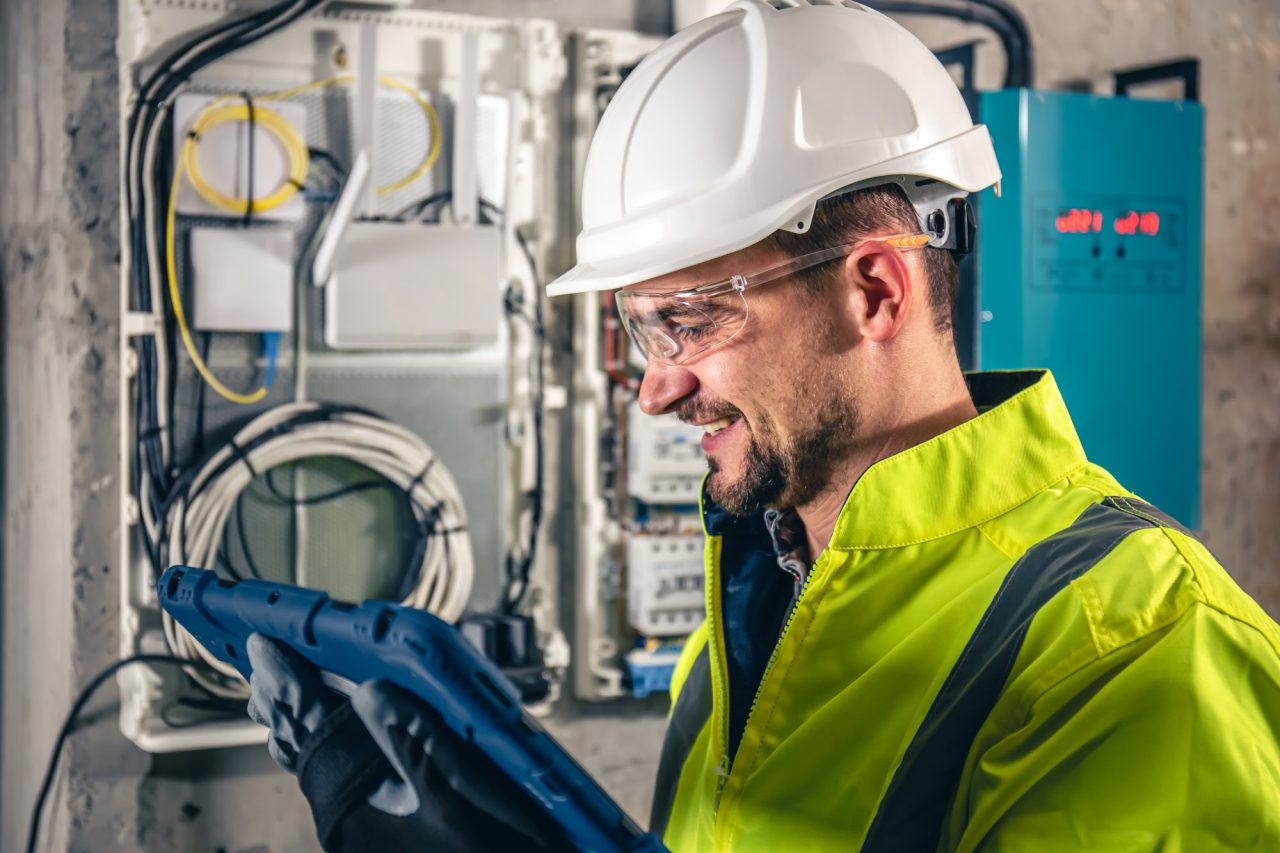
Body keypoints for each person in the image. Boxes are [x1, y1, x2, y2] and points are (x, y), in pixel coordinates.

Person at [249, 1, 1280, 850]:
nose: (654, 391)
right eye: (639, 330)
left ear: (872, 287)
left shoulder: (1138, 651)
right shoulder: (750, 613)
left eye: (687, 323)